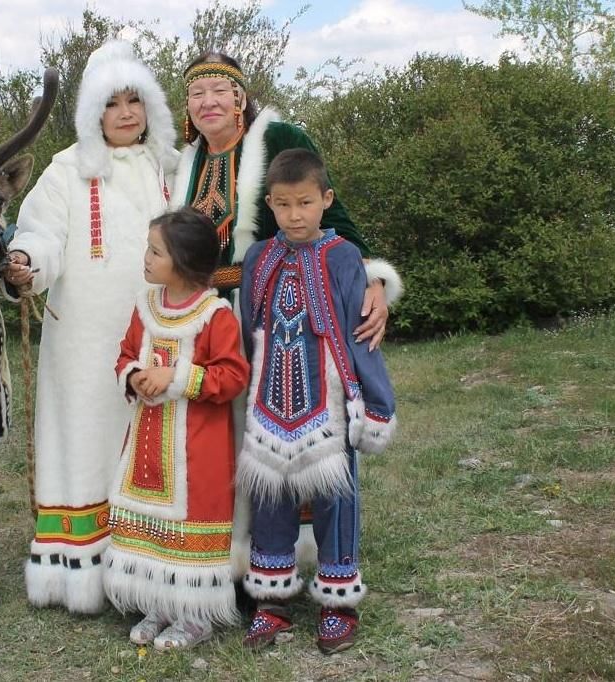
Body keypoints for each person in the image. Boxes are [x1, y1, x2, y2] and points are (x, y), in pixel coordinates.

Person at [3, 41, 178, 614]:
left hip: (161, 333)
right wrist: (27, 263)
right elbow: (41, 233)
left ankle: (156, 563)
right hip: (85, 340)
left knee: (157, 442)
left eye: (136, 100)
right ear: (91, 112)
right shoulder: (66, 169)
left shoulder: (171, 166)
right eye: (112, 102)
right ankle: (82, 568)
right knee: (87, 439)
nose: (126, 113)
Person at [238, 149, 397, 654]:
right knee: (269, 498)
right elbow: (247, 329)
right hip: (267, 400)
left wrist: (375, 401)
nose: (295, 214)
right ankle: (272, 602)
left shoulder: (344, 256)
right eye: (283, 204)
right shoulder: (260, 258)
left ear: (326, 200)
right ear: (270, 204)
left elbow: (360, 335)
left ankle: (338, 602)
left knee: (337, 499)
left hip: (328, 402)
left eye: (305, 202)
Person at [173, 51, 403, 345]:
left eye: (220, 90)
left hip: (279, 311)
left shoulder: (279, 140)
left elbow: (330, 216)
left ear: (240, 99)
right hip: (202, 318)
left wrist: (373, 279)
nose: (208, 101)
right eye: (197, 94)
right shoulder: (184, 165)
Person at [104, 207, 250, 650]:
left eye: (155, 251)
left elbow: (233, 375)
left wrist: (178, 378)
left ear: (183, 261)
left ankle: (195, 616)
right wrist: (133, 375)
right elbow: (126, 353)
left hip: (196, 452)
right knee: (152, 526)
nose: (145, 258)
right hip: (148, 446)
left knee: (191, 526)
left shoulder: (214, 314)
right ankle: (160, 603)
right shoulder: (146, 307)